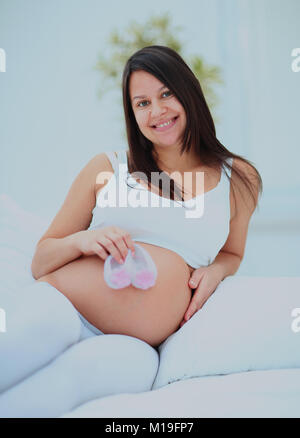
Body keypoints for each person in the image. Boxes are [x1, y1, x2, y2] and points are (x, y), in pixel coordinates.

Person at [0, 45, 263, 417]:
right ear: (132, 113)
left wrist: (216, 271)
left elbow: (233, 253)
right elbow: (42, 260)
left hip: (139, 348)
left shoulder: (238, 177)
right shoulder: (107, 167)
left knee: (49, 396)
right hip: (63, 307)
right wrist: (83, 240)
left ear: (188, 93)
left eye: (166, 94)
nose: (157, 111)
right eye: (142, 103)